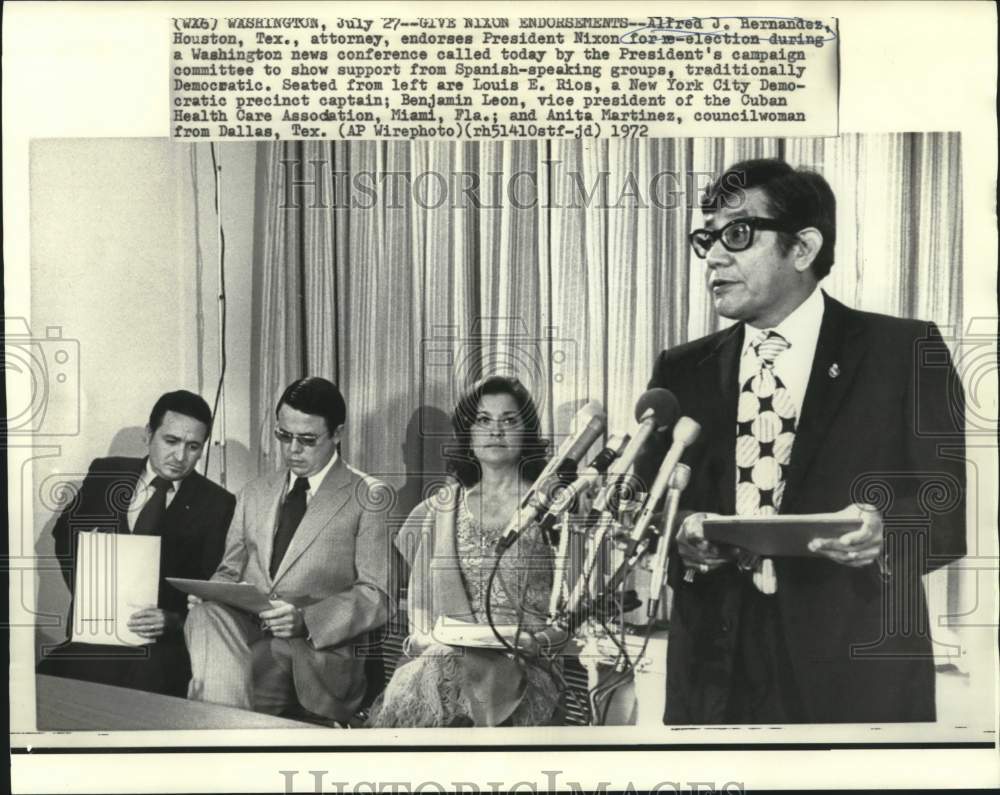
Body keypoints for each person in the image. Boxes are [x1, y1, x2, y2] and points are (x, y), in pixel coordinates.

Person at [642, 158, 966, 723]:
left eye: (737, 235)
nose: (713, 257)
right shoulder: (682, 370)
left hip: (856, 669)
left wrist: (885, 532)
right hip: (715, 672)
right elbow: (649, 501)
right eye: (707, 239)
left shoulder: (904, 352)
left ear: (803, 247)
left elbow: (956, 507)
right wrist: (683, 531)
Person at [184, 377, 392, 724]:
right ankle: (225, 729)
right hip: (248, 632)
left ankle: (216, 729)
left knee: (233, 679)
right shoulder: (254, 493)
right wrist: (211, 593)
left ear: (337, 434)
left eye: (307, 440)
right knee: (204, 615)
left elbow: (376, 595)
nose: (292, 450)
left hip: (312, 652)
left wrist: (306, 621)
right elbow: (228, 572)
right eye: (284, 436)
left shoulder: (368, 497)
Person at [368, 376, 559, 727]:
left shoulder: (552, 508)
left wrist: (539, 642)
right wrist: (425, 641)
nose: (495, 431)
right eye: (483, 420)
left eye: (509, 420)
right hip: (446, 660)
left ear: (527, 432)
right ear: (468, 433)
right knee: (435, 675)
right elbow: (420, 613)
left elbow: (574, 612)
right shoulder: (441, 508)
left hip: (523, 665)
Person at [39, 390, 236, 697]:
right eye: (171, 441)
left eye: (193, 447)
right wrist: (89, 594)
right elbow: (64, 535)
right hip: (94, 637)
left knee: (139, 694)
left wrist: (176, 620)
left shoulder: (218, 503)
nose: (180, 457)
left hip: (161, 649)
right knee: (44, 687)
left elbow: (214, 585)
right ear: (149, 434)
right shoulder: (105, 473)